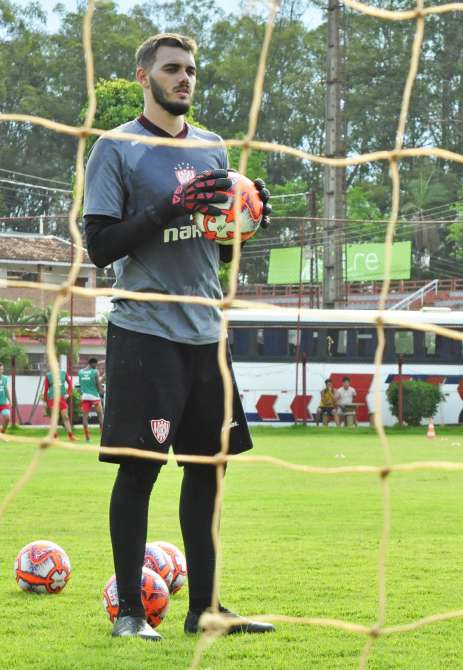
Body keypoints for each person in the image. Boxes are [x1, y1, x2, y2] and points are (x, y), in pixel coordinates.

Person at [83, 33, 273, 640]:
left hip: (205, 333)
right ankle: (131, 617)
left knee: (208, 469)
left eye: (190, 70)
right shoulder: (116, 148)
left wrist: (248, 217)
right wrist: (170, 206)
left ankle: (207, 610)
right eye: (171, 69)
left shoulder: (215, 147)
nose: (184, 78)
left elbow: (214, 244)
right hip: (144, 332)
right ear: (144, 77)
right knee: (139, 471)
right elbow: (102, 246)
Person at [42, 368, 74, 441]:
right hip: (52, 398)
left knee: (65, 417)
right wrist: (45, 401)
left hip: (62, 398)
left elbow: (70, 384)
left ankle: (70, 436)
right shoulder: (48, 375)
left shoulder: (63, 373)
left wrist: (68, 393)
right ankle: (55, 437)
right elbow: (46, 389)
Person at [78, 357, 105, 442]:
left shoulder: (80, 372)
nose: (96, 366)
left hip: (85, 397)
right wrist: (102, 390)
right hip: (94, 397)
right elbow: (97, 384)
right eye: (95, 365)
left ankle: (87, 438)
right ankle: (102, 437)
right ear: (92, 364)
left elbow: (83, 383)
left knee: (85, 419)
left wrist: (101, 362)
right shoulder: (95, 371)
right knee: (101, 416)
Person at [0, 363, 11, 433]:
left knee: (7, 418)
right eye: (0, 369)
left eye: (2, 369)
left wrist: (10, 400)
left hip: (3, 402)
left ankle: (2, 432)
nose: (1, 371)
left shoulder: (5, 378)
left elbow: (6, 390)